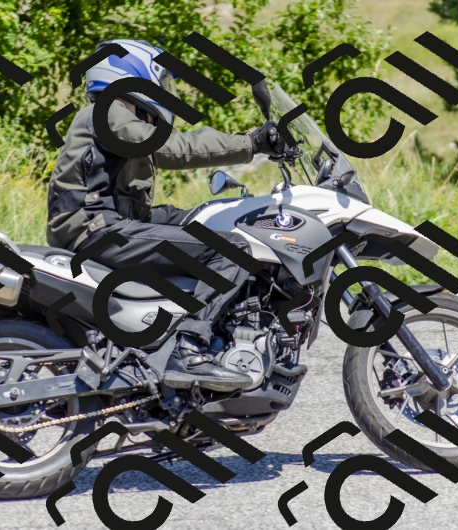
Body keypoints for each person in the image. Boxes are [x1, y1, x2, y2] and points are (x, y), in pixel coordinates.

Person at [47, 39, 286, 392]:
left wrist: (205, 216)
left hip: (104, 223)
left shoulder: (112, 116)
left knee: (209, 220)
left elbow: (132, 206)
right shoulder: (110, 112)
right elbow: (170, 148)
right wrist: (249, 144)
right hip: (95, 230)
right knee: (234, 250)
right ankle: (189, 348)